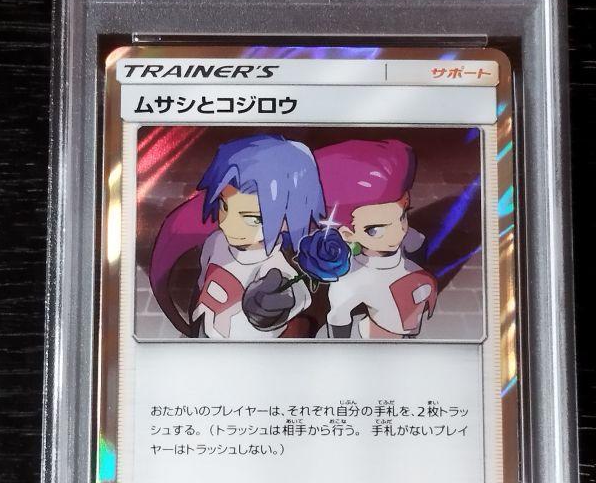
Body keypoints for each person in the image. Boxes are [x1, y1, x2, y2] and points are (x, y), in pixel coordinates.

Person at [149, 134, 324, 339]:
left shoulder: (275, 268)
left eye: (252, 218)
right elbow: (202, 284)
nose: (227, 224)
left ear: (288, 219)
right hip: (204, 332)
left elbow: (294, 296)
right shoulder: (216, 240)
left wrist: (272, 306)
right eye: (224, 206)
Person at [313, 139, 437, 339]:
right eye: (375, 230)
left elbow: (417, 245)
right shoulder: (351, 281)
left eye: (402, 216)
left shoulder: (411, 238)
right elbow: (338, 317)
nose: (398, 232)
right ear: (348, 234)